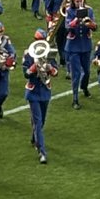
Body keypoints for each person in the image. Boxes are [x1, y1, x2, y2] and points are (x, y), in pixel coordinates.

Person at [23, 30, 58, 163]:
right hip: (33, 92)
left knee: (41, 121)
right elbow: (25, 73)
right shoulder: (28, 54)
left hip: (45, 91)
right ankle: (42, 152)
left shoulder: (49, 53)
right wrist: (32, 68)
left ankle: (34, 137)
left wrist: (50, 69)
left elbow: (56, 72)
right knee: (37, 122)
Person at [64, 0, 97, 106]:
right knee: (76, 73)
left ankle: (84, 87)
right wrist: (75, 20)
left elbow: (95, 27)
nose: (78, 2)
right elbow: (67, 27)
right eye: (76, 1)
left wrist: (90, 23)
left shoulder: (89, 10)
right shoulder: (69, 11)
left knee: (87, 72)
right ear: (73, 1)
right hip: (73, 47)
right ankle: (75, 98)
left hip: (86, 45)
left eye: (80, 0)